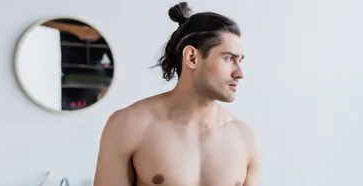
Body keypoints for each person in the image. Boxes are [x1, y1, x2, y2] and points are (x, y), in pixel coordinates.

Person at [93, 2, 260, 186]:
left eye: (240, 61)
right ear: (192, 57)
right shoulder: (129, 126)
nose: (239, 73)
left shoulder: (245, 138)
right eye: (229, 58)